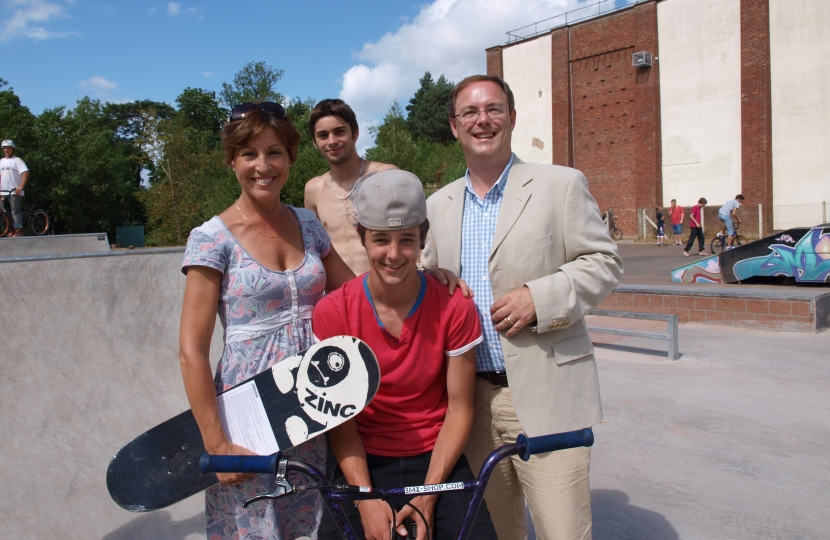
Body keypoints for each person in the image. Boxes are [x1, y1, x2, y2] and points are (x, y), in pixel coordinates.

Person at [422, 74, 623, 540]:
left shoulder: (561, 185)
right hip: (468, 403)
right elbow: (430, 280)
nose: (482, 120)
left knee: (561, 530)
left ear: (511, 118)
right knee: (493, 530)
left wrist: (541, 296)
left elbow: (605, 262)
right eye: (470, 112)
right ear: (454, 126)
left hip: (546, 394)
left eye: (493, 109)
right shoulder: (437, 205)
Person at [178, 102, 354, 540]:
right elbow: (191, 350)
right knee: (256, 524)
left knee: (309, 520)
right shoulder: (212, 238)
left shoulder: (309, 225)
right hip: (248, 411)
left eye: (274, 152)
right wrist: (217, 445)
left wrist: (424, 279)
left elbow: (357, 295)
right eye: (249, 154)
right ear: (231, 160)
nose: (263, 166)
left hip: (313, 401)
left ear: (291, 156)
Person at [313, 170, 498, 540]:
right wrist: (364, 498)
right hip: (361, 458)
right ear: (362, 237)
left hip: (436, 460)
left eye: (407, 240)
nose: (394, 254)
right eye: (381, 240)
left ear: (423, 239)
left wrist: (428, 497)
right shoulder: (333, 312)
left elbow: (460, 407)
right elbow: (340, 419)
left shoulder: (454, 307)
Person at [304, 99, 399, 275]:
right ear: (315, 142)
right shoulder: (313, 190)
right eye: (323, 135)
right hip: (338, 295)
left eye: (339, 132)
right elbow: (314, 246)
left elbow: (416, 232)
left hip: (384, 289)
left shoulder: (386, 175)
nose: (332, 141)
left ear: (355, 133)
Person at [0, 140, 30, 237]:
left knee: (14, 209)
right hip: (3, 190)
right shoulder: (1, 161)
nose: (6, 150)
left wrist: (20, 186)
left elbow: (25, 172)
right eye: (5, 148)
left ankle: (18, 230)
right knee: (3, 210)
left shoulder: (17, 160)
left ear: (13, 149)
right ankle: (10, 228)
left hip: (14, 190)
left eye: (8, 148)